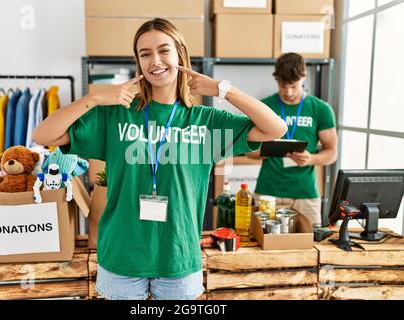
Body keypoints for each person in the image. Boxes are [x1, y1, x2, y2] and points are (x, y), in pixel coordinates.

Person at [33, 18, 286, 300]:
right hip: (121, 257)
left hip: (178, 258)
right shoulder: (116, 114)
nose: (156, 60)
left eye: (164, 50)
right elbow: (44, 135)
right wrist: (95, 99)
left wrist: (223, 90)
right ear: (138, 62)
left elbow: (275, 128)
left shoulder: (206, 122)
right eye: (145, 54)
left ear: (180, 54)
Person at [248, 53, 338, 226]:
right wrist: (265, 151)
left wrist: (311, 159)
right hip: (269, 191)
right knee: (264, 245)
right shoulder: (264, 107)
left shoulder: (321, 109)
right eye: (283, 86)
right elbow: (247, 150)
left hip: (305, 193)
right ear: (276, 80)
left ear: (304, 77)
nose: (288, 92)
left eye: (293, 86)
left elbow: (332, 152)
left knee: (311, 246)